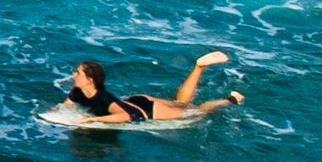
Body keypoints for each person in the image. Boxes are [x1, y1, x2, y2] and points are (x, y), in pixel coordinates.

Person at [64, 51, 239, 125]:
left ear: (89, 80)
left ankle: (229, 101)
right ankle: (198, 68)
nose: (74, 75)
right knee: (180, 103)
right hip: (135, 100)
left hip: (147, 110)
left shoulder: (104, 98)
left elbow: (124, 116)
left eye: (78, 73)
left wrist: (93, 120)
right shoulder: (77, 92)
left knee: (198, 112)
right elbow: (63, 108)